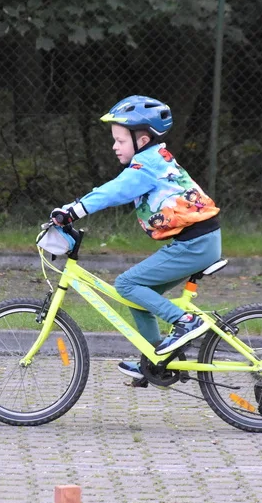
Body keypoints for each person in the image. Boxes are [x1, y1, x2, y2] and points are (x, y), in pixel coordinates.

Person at [49, 95, 222, 381]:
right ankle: (157, 359)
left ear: (141, 140)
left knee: (127, 283)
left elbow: (114, 191)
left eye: (120, 140)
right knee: (138, 295)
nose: (114, 146)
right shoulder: (152, 159)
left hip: (195, 244)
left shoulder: (146, 167)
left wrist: (72, 211)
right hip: (198, 241)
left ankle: (185, 322)